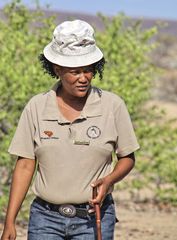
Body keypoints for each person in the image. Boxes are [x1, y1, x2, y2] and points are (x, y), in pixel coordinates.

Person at [1, 19, 140, 240]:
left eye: (88, 70)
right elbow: (25, 165)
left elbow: (127, 158)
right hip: (44, 220)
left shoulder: (112, 105)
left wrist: (110, 180)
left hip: (94, 218)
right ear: (58, 69)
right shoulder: (37, 107)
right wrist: (9, 222)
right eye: (75, 71)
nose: (83, 78)